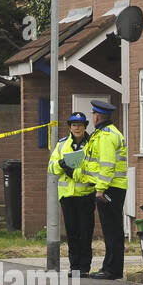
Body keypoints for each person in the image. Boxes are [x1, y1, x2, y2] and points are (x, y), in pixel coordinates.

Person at [82, 99, 128, 279]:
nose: (93, 117)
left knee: (112, 231)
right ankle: (108, 266)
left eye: (93, 114)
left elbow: (107, 165)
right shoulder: (104, 134)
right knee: (110, 230)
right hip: (111, 187)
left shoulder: (107, 136)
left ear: (97, 116)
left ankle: (112, 270)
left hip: (110, 188)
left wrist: (100, 189)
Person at [48, 111, 95, 275]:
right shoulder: (61, 145)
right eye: (74, 125)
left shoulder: (92, 144)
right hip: (67, 196)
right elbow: (51, 168)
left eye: (80, 125)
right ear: (69, 127)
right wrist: (61, 164)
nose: (77, 128)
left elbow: (95, 166)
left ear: (85, 127)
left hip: (86, 194)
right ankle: (74, 266)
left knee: (86, 232)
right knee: (72, 232)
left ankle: (85, 267)